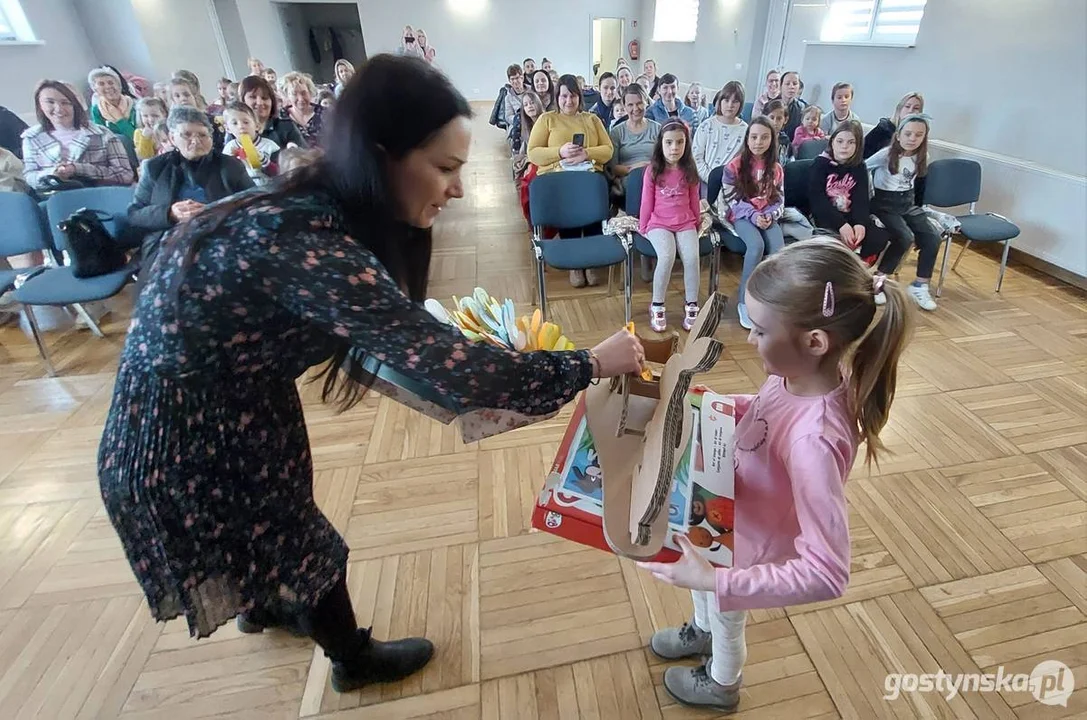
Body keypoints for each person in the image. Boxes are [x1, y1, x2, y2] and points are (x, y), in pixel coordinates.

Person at [99, 54, 644, 696]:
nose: (458, 189)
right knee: (299, 536)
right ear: (383, 157)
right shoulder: (308, 243)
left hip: (224, 405)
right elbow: (458, 371)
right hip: (186, 439)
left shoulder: (308, 206)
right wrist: (589, 362)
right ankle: (350, 659)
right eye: (444, 168)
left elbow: (396, 342)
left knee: (274, 520)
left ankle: (264, 604)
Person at [637, 237, 912, 713]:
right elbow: (767, 411)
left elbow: (828, 573)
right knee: (706, 591)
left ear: (814, 342)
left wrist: (719, 585)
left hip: (749, 551)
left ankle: (722, 683)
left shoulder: (814, 442)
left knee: (726, 616)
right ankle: (701, 628)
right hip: (728, 519)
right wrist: (718, 404)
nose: (750, 339)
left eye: (760, 331)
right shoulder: (800, 376)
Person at [127, 106, 254, 267]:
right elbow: (135, 214)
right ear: (172, 138)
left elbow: (254, 203)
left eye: (202, 135)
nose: (195, 141)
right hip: (168, 244)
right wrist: (170, 213)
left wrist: (216, 213)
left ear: (211, 138)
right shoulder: (155, 168)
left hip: (219, 238)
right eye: (186, 135)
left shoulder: (230, 166)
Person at [526, 74, 614, 287]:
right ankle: (575, 265)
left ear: (579, 97)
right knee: (569, 201)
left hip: (588, 174)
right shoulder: (547, 119)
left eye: (573, 96)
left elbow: (608, 150)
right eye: (564, 96)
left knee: (594, 195)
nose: (568, 101)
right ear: (557, 97)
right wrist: (560, 151)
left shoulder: (592, 119)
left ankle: (592, 260)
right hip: (560, 177)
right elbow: (533, 153)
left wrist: (587, 153)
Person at [865, 114, 940, 311]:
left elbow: (917, 186)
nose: (912, 138)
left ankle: (920, 285)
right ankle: (878, 282)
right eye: (908, 134)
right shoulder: (886, 154)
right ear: (898, 135)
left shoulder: (922, 156)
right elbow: (863, 167)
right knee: (904, 237)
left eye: (918, 135)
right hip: (884, 204)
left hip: (907, 202)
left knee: (932, 237)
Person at [715, 117, 785, 329]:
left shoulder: (776, 168)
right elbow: (732, 200)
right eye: (753, 137)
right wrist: (754, 216)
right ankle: (745, 301)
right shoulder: (733, 166)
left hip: (767, 214)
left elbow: (780, 198)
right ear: (747, 139)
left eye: (764, 137)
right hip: (742, 215)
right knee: (756, 246)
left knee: (779, 251)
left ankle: (769, 300)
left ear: (772, 140)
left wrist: (770, 216)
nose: (758, 142)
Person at [639, 120, 702, 332]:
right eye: (669, 142)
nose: (674, 148)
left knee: (692, 258)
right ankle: (657, 304)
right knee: (666, 256)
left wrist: (697, 221)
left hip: (685, 222)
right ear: (661, 144)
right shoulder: (653, 170)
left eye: (679, 142)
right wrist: (644, 225)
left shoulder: (689, 169)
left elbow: (695, 198)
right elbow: (646, 201)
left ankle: (692, 304)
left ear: (686, 144)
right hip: (659, 223)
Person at [21, 80, 134, 190]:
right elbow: (30, 177)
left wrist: (78, 169)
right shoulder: (31, 138)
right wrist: (51, 174)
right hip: (55, 198)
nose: (59, 109)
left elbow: (125, 175)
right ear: (40, 105)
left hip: (99, 195)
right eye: (50, 102)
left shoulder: (103, 134)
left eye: (65, 102)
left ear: (75, 105)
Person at [808, 120, 889, 266]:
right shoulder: (820, 165)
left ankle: (856, 267)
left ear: (858, 146)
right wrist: (841, 225)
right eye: (840, 141)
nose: (844, 146)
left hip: (850, 215)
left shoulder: (859, 167)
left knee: (878, 237)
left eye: (851, 142)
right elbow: (818, 202)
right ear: (832, 142)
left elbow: (861, 200)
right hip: (827, 217)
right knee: (836, 244)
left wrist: (860, 224)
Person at [692, 81, 747, 185]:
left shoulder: (745, 130)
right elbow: (697, 157)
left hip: (732, 185)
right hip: (706, 182)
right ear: (720, 101)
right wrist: (713, 179)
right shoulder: (706, 126)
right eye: (726, 100)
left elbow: (746, 160)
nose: (730, 105)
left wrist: (729, 182)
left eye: (735, 101)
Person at [607, 83, 660, 185]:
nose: (635, 109)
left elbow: (665, 161)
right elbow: (612, 168)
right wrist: (634, 168)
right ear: (624, 106)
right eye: (630, 105)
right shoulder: (616, 132)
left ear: (646, 103)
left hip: (654, 177)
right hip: (628, 180)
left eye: (639, 103)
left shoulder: (657, 129)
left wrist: (648, 168)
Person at [240, 75, 307, 149]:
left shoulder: (286, 127)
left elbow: (304, 156)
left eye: (264, 98)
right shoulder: (236, 129)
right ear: (242, 100)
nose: (259, 102)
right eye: (253, 97)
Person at [222, 102, 280, 185]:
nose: (241, 126)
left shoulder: (270, 146)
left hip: (268, 189)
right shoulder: (229, 148)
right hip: (243, 192)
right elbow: (227, 178)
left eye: (246, 122)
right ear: (228, 128)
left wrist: (264, 161)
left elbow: (279, 173)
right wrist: (231, 162)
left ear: (257, 125)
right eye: (235, 123)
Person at [863, 91, 923, 159]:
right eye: (907, 106)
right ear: (899, 109)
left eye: (916, 108)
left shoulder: (918, 135)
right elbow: (862, 152)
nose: (910, 111)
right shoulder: (884, 128)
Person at [89, 66, 138, 138]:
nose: (108, 87)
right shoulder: (96, 110)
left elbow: (136, 137)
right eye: (101, 84)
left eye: (111, 83)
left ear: (119, 86)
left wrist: (120, 120)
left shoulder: (134, 105)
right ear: (96, 90)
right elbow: (102, 137)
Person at [279, 72, 325, 148]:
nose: (300, 98)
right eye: (294, 94)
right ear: (287, 95)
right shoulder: (281, 117)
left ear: (310, 92)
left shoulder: (325, 113)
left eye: (304, 93)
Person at [133, 97, 169, 162]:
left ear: (164, 114)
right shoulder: (139, 133)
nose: (150, 120)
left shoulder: (168, 129)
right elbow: (144, 156)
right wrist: (145, 138)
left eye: (155, 115)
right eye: (145, 116)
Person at [779, 71, 807, 141]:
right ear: (781, 86)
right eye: (787, 84)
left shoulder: (802, 107)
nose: (791, 87)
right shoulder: (771, 105)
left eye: (795, 84)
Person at [762, 99, 791, 165]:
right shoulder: (760, 138)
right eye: (772, 118)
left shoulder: (785, 140)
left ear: (785, 120)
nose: (775, 122)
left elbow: (785, 161)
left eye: (779, 119)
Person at [502, 64, 527, 129]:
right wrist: (519, 120)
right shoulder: (508, 98)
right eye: (512, 79)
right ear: (509, 81)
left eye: (517, 78)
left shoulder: (531, 91)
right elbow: (508, 116)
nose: (515, 81)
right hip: (518, 124)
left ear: (522, 78)